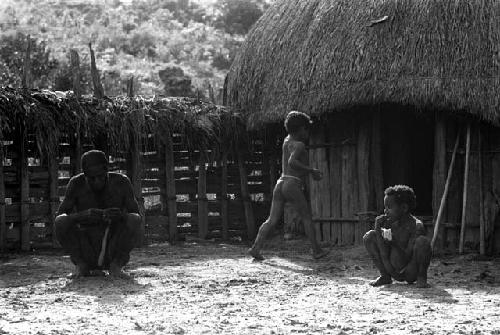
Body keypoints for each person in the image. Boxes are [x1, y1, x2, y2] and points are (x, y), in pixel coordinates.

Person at [248, 111, 329, 260]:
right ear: (301, 129)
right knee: (306, 217)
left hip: (280, 183)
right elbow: (292, 162)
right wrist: (311, 170)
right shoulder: (299, 145)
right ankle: (317, 250)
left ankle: (256, 247)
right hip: (292, 184)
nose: (307, 133)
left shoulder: (286, 141)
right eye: (306, 129)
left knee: (271, 220)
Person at [55, 150, 142, 279]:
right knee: (60, 222)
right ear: (84, 175)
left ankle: (116, 265)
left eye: (101, 176)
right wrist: (81, 216)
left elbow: (136, 215)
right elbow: (60, 218)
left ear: (107, 170)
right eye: (91, 178)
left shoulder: (121, 182)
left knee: (134, 220)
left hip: (114, 243)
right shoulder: (76, 184)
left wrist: (121, 216)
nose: (97, 181)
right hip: (86, 245)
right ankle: (81, 265)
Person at [363, 185, 432, 288]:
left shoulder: (416, 226)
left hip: (410, 271)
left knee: (423, 242)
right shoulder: (389, 223)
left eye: (389, 207)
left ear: (404, 208)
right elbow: (384, 253)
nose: (385, 211)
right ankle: (385, 276)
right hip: (391, 268)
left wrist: (394, 243)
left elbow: (405, 258)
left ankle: (422, 278)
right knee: (369, 236)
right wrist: (377, 229)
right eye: (385, 207)